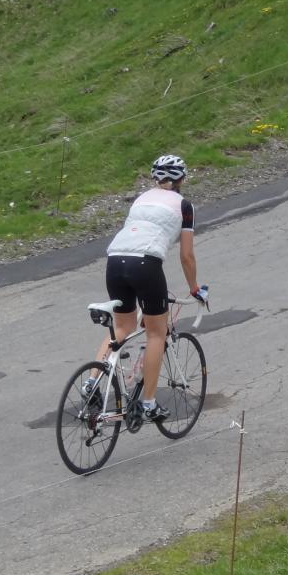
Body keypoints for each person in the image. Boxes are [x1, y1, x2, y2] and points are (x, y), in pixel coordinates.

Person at [92, 153, 203, 421]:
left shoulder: (141, 199)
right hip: (145, 264)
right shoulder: (184, 205)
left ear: (155, 178)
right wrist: (195, 288)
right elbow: (186, 256)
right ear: (182, 179)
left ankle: (92, 383)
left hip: (115, 260)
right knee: (156, 333)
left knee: (121, 327)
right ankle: (149, 403)